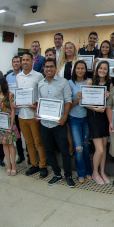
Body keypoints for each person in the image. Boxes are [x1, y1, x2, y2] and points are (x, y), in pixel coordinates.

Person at [37, 58, 75, 187]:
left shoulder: (63, 82)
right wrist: (38, 114)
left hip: (59, 123)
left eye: (51, 66)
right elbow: (39, 101)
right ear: (44, 69)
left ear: (55, 68)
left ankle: (68, 175)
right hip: (44, 123)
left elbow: (68, 100)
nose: (49, 69)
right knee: (49, 150)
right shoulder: (40, 83)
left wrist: (64, 117)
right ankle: (57, 174)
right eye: (46, 67)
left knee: (64, 151)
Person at [16, 53, 48, 178]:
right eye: (23, 60)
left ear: (32, 61)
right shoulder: (18, 76)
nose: (24, 62)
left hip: (33, 115)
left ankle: (43, 166)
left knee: (38, 141)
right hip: (21, 115)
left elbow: (42, 94)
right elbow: (18, 94)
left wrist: (37, 105)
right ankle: (34, 165)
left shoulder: (38, 76)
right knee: (28, 142)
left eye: (27, 60)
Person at [85, 61, 112, 185]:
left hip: (104, 118)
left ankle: (102, 171)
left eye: (105, 69)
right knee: (99, 149)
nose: (102, 70)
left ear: (108, 71)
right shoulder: (90, 82)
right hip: (94, 117)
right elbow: (85, 102)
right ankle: (94, 172)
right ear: (97, 69)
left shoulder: (109, 84)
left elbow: (110, 103)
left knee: (105, 148)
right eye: (100, 68)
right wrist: (95, 109)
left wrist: (108, 96)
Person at [67, 60, 93, 184]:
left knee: (86, 146)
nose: (80, 70)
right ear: (74, 70)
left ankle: (88, 172)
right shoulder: (70, 83)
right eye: (78, 68)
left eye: (83, 68)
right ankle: (80, 173)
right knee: (78, 148)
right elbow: (68, 106)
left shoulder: (89, 82)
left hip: (86, 119)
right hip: (74, 119)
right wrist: (77, 100)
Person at [0, 77, 21, 175]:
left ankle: (14, 165)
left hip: (8, 123)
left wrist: (11, 125)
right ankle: (9, 164)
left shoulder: (10, 95)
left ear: (2, 84)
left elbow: (12, 111)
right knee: (4, 144)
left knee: (10, 144)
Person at [5, 56, 26, 164]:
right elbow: (7, 93)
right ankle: (21, 156)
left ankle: (30, 156)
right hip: (13, 111)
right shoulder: (8, 77)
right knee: (17, 135)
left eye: (18, 61)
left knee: (26, 135)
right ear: (12, 64)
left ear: (21, 63)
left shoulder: (24, 76)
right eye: (14, 62)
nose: (16, 63)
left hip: (24, 110)